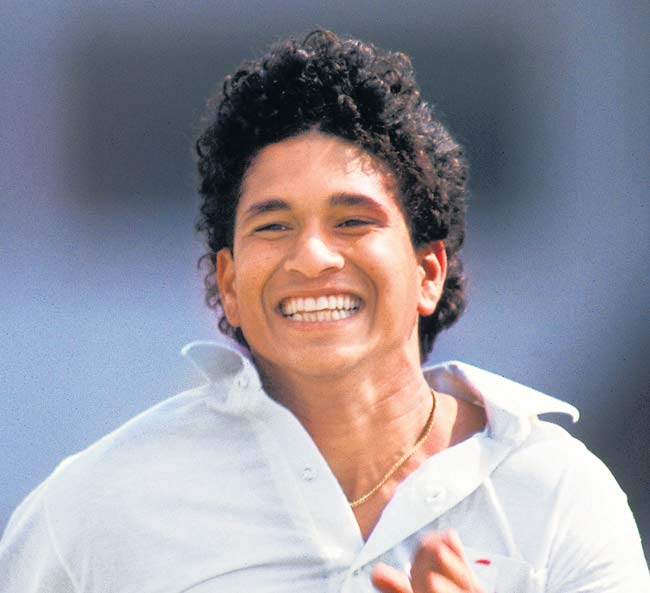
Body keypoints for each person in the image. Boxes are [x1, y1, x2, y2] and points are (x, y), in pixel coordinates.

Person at [1, 30, 647, 593]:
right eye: (273, 225)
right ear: (227, 283)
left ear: (429, 272)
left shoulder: (560, 498)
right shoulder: (101, 507)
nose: (311, 256)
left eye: (351, 219)